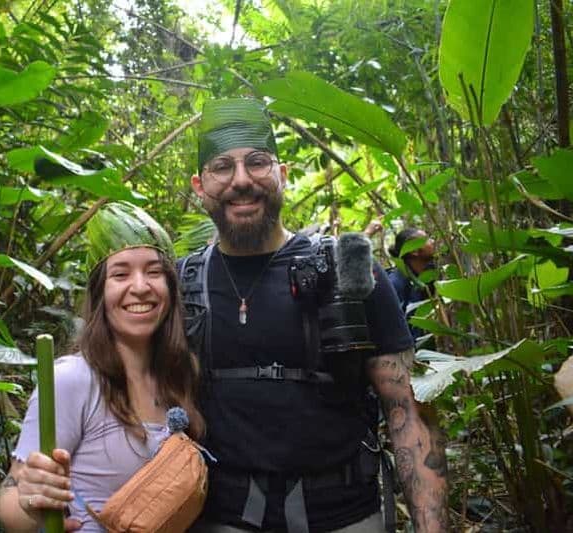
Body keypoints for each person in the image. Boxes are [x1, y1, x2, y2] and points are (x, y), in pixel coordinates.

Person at [181, 98, 448, 532]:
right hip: (219, 516)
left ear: (283, 175)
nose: (242, 181)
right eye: (222, 167)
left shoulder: (350, 270)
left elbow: (407, 414)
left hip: (345, 514)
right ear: (200, 185)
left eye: (257, 163)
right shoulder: (182, 283)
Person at [0, 201, 205, 532]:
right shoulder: (72, 379)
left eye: (154, 272)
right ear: (100, 292)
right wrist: (30, 497)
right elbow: (10, 504)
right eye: (120, 274)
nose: (140, 286)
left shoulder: (181, 376)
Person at [387, 228, 436, 343]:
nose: (433, 241)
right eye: (427, 240)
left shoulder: (426, 278)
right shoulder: (395, 283)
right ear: (413, 251)